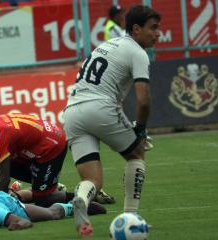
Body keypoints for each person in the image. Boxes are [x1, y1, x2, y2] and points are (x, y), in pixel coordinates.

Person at [62, 5, 161, 237]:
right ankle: (130, 217)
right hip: (101, 107)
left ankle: (80, 199)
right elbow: (144, 100)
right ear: (136, 29)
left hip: (72, 112)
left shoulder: (106, 44)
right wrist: (141, 129)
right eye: (153, 28)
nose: (158, 33)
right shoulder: (138, 52)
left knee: (92, 179)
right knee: (136, 154)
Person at [0, 113, 114, 208]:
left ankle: (85, 195)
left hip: (51, 146)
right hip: (34, 145)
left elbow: (4, 182)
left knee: (43, 200)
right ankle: (48, 184)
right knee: (17, 170)